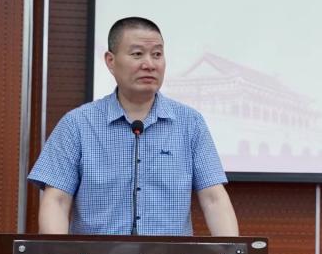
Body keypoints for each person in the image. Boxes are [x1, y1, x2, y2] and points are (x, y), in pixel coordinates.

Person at [28, 17, 239, 236]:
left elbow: (214, 199)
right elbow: (57, 201)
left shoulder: (190, 123)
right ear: (110, 61)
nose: (149, 64)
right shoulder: (77, 124)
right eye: (137, 54)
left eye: (157, 54)